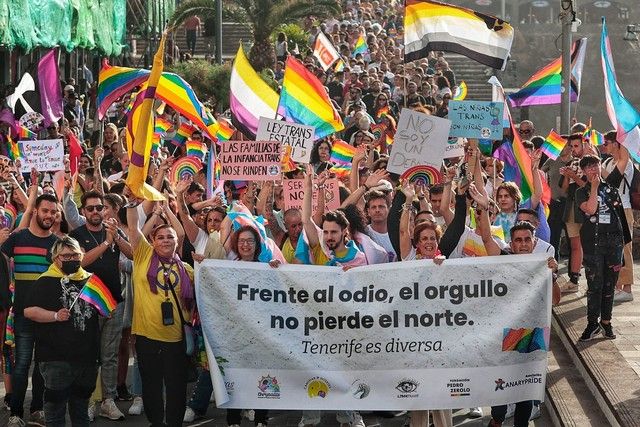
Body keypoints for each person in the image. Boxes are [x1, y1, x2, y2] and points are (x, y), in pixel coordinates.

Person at [126, 192, 194, 426]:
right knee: (151, 386)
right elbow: (134, 229)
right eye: (161, 237)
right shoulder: (143, 256)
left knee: (176, 388)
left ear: (177, 242)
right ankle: (156, 423)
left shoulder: (187, 269)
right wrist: (133, 204)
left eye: (170, 237)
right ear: (153, 242)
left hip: (176, 339)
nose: (165, 240)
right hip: (146, 337)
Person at [69, 191, 132, 421]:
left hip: (114, 302)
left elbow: (132, 254)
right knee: (89, 355)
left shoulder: (114, 231)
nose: (96, 212)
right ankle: (89, 401)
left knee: (110, 355)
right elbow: (80, 262)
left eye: (100, 207)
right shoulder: (76, 234)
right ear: (83, 212)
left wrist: (116, 237)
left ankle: (108, 400)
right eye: (91, 208)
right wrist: (106, 243)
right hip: (87, 304)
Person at [24, 236, 101, 426]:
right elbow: (28, 311)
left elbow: (103, 308)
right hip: (55, 358)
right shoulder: (45, 281)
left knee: (81, 411)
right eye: (66, 256)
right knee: (55, 412)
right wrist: (55, 316)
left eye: (75, 255)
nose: (71, 259)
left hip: (87, 357)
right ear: (55, 258)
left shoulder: (91, 281)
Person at [2, 194, 59, 427]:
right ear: (35, 210)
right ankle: (15, 414)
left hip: (47, 316)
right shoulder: (17, 238)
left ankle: (36, 409)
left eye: (53, 212)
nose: (49, 215)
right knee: (22, 364)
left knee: (42, 366)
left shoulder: (56, 243)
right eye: (45, 210)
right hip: (23, 315)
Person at [576, 155, 630, 341]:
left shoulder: (612, 190)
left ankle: (606, 322)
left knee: (609, 286)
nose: (593, 170)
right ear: (583, 171)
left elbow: (620, 218)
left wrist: (623, 243)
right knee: (594, 285)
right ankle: (592, 323)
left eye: (595, 166)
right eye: (589, 167)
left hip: (614, 245)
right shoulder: (581, 192)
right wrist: (593, 187)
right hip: (594, 245)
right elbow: (590, 210)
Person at [600, 130, 635, 302]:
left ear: (616, 143)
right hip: (609, 210)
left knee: (625, 248)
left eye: (606, 143)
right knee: (613, 249)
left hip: (624, 208)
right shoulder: (607, 161)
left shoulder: (625, 163)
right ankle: (616, 286)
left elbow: (612, 181)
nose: (603, 146)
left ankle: (627, 289)